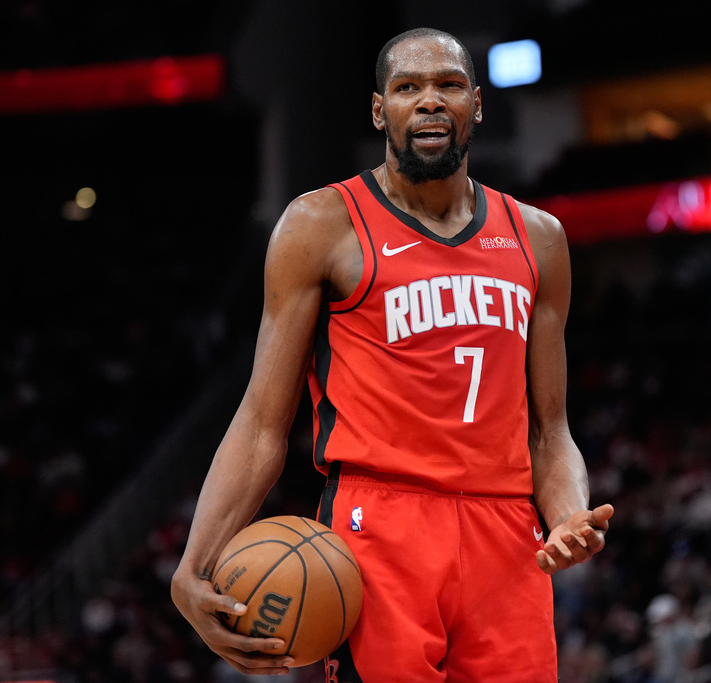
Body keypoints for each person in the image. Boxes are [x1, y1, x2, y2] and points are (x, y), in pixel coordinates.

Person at [170, 27, 614, 682]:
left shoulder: (539, 239)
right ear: (381, 110)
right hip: (380, 527)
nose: (429, 101)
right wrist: (194, 562)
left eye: (448, 86)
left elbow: (552, 431)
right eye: (408, 87)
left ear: (478, 104)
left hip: (506, 532)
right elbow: (264, 421)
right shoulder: (322, 224)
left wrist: (569, 512)